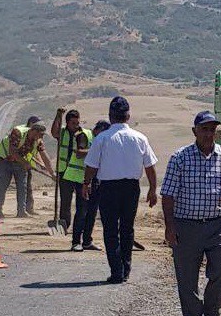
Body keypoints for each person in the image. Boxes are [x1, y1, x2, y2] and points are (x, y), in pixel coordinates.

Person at [160, 110, 221, 316]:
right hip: (186, 226)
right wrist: (169, 227)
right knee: (187, 278)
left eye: (212, 130)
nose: (208, 134)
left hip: (218, 225)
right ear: (194, 131)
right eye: (204, 129)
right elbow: (167, 195)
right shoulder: (180, 158)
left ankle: (213, 313)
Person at [83, 97, 157, 284]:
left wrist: (86, 183)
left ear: (110, 116)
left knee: (110, 230)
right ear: (128, 116)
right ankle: (126, 269)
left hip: (108, 188)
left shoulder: (102, 138)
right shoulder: (140, 138)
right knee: (127, 228)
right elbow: (150, 167)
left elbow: (91, 166)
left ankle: (117, 271)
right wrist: (152, 189)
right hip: (131, 188)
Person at [0, 122, 54, 218]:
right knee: (2, 185)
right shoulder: (18, 132)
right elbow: (12, 152)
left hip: (19, 161)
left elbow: (45, 157)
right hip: (4, 160)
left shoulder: (38, 141)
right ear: (34, 131)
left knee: (22, 186)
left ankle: (22, 211)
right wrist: (25, 163)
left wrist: (52, 173)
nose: (41, 137)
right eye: (41, 134)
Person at [51, 108, 93, 251]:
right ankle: (64, 225)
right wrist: (58, 115)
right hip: (64, 172)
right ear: (67, 122)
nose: (76, 125)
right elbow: (54, 132)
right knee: (65, 201)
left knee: (82, 205)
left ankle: (78, 232)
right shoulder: (62, 132)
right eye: (73, 123)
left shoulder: (83, 134)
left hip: (79, 174)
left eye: (77, 122)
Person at [77, 120, 111, 251]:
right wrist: (87, 182)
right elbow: (80, 153)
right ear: (100, 129)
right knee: (83, 212)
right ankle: (77, 241)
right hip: (83, 178)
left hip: (94, 180)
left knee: (92, 212)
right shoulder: (87, 136)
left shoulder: (101, 140)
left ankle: (87, 241)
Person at [24, 115, 46, 216]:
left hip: (27, 165)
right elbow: (26, 152)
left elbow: (37, 152)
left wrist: (41, 163)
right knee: (23, 187)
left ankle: (29, 208)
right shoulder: (24, 134)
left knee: (27, 187)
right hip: (18, 163)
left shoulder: (37, 137)